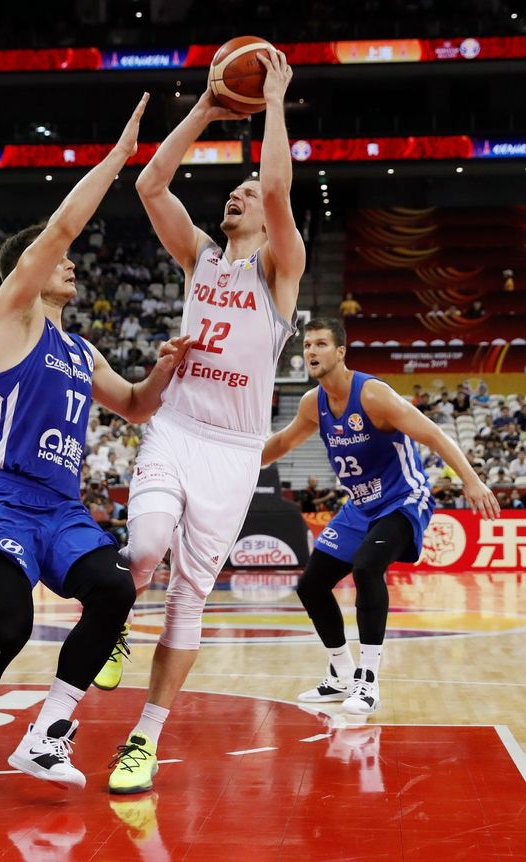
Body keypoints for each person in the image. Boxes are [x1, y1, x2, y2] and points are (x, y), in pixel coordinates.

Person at [0, 93, 191, 804]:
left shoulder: (79, 347)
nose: (72, 265)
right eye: (59, 260)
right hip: (4, 499)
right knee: (10, 624)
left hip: (62, 509)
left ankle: (48, 732)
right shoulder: (12, 318)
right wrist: (118, 158)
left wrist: (167, 365)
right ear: (32, 271)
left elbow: (133, 406)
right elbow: (62, 226)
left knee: (114, 589)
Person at [101, 50, 304, 794]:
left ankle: (144, 741)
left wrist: (274, 101)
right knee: (146, 544)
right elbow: (152, 183)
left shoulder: (280, 271)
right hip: (179, 427)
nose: (241, 195)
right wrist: (206, 111)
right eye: (237, 190)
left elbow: (280, 186)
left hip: (234, 451)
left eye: (249, 192)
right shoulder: (200, 258)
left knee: (190, 596)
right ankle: (119, 617)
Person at [262, 318, 499, 715]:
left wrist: (471, 481)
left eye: (321, 344)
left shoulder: (373, 394)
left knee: (368, 567)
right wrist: (237, 470)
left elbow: (435, 436)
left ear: (340, 352)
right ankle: (340, 674)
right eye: (307, 346)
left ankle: (368, 681)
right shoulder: (312, 403)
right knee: (311, 585)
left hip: (404, 499)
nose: (311, 352)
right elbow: (284, 442)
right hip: (360, 506)